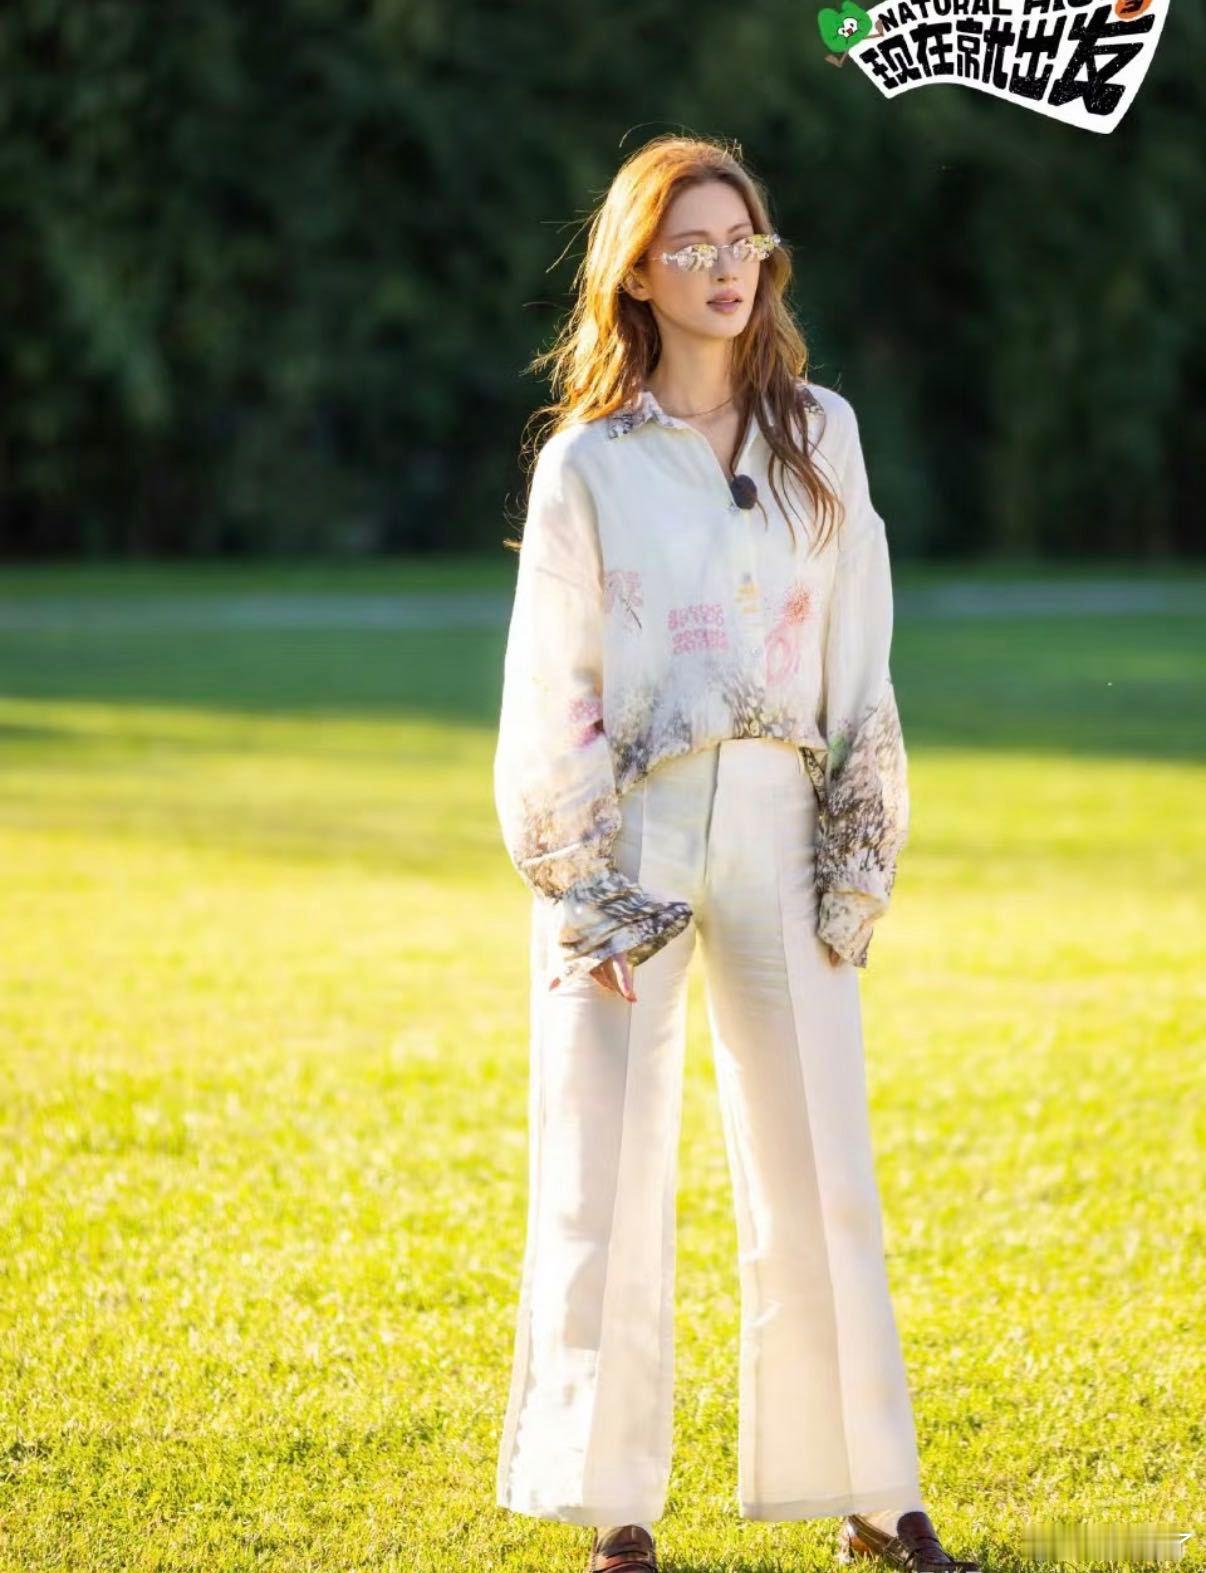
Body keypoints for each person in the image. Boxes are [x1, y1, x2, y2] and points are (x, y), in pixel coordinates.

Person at [491, 133, 981, 1573]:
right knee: (600, 1161)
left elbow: (861, 649)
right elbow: (551, 681)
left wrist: (859, 852)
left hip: (783, 818)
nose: (723, 269)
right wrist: (584, 890)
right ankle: (612, 1514)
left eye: (743, 243)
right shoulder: (587, 462)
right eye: (691, 247)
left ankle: (875, 1496)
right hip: (631, 829)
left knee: (823, 1163)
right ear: (637, 274)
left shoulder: (821, 433)